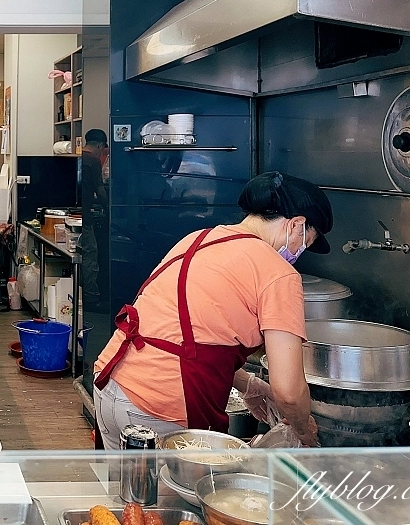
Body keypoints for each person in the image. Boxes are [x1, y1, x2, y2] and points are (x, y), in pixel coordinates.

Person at [92, 171, 332, 449]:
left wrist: (249, 385)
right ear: (296, 225)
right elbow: (289, 392)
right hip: (161, 410)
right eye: (308, 242)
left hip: (111, 389)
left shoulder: (200, 239)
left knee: (131, 491)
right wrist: (304, 434)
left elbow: (188, 336)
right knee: (182, 493)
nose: (300, 252)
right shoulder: (278, 273)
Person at [80, 129, 109, 306]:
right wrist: (108, 207)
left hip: (73, 213)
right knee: (90, 255)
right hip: (85, 217)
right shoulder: (92, 160)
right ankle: (91, 298)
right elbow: (99, 190)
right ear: (99, 146)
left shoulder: (75, 156)